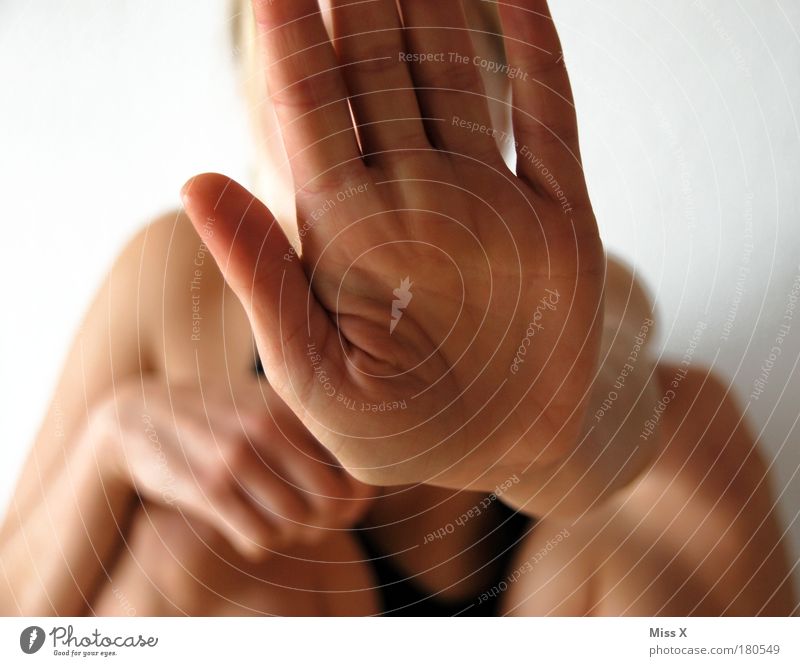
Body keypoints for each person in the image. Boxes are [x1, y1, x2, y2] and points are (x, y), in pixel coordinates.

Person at [0, 0, 795, 616]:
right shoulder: (177, 280)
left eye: (409, 80)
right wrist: (108, 447)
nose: (368, 129)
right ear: (252, 112)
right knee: (186, 547)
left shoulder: (572, 290)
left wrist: (533, 436)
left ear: (492, 103)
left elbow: (631, 408)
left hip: (560, 610)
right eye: (321, 81)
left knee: (695, 426)